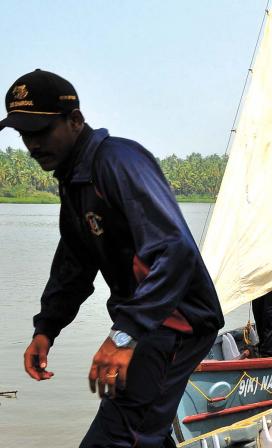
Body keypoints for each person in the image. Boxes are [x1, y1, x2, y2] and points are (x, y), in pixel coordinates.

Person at [1, 69, 224, 447]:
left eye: (41, 132)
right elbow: (73, 265)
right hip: (148, 321)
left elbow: (174, 249)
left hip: (176, 319)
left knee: (120, 437)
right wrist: (46, 329)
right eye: (24, 134)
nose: (32, 145)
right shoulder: (75, 181)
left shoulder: (118, 161)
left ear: (75, 120)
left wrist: (124, 335)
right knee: (141, 430)